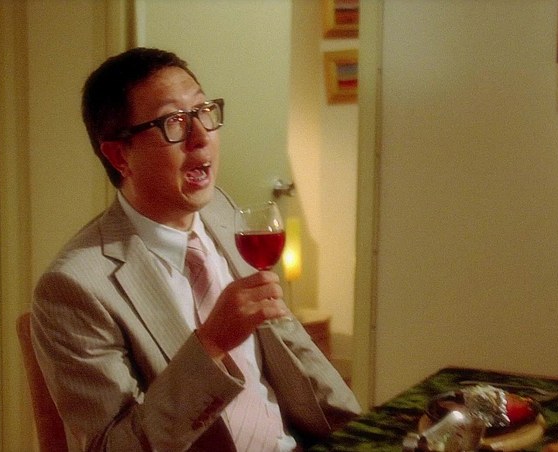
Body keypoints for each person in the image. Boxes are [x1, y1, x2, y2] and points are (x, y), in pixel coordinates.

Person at [30, 47, 361, 452]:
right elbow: (112, 446)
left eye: (203, 111)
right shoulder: (73, 288)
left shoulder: (220, 210)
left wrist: (365, 431)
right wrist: (210, 345)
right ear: (119, 155)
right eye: (174, 121)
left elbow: (290, 345)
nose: (202, 136)